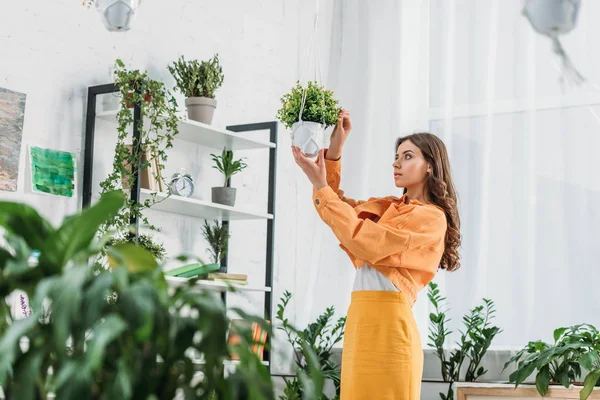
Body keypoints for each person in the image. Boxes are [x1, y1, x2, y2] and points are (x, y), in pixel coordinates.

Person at [291, 109, 461, 399]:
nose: (397, 163)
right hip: (361, 324)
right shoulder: (389, 208)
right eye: (396, 156)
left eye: (408, 156)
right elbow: (341, 212)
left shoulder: (432, 218)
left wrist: (321, 186)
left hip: (390, 334)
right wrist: (335, 150)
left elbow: (366, 241)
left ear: (430, 166)